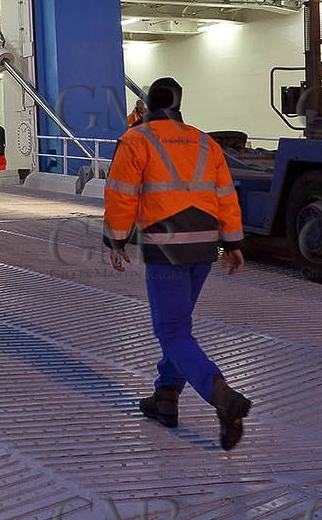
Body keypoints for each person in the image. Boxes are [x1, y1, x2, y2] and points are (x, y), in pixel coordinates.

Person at [103, 76, 252, 451]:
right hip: (203, 246)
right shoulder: (204, 141)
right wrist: (233, 242)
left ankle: (222, 396)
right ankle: (165, 398)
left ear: (149, 104)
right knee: (179, 326)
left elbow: (121, 193)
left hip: (166, 246)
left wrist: (116, 239)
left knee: (171, 331)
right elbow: (226, 196)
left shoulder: (136, 140)